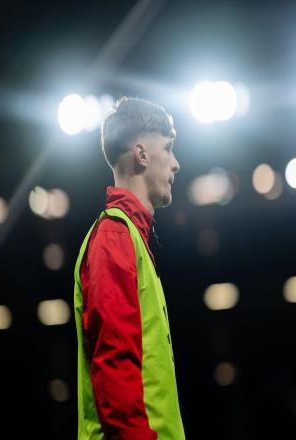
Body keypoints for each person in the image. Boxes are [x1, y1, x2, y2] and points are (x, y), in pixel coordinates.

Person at [73, 96, 185, 440]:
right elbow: (115, 368)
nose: (176, 164)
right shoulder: (115, 237)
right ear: (142, 155)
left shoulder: (127, 237)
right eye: (168, 148)